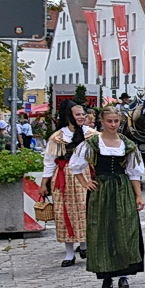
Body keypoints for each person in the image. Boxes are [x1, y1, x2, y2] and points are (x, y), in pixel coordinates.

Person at [68, 105, 145, 288]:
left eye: (116, 121)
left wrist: (138, 196)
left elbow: (134, 173)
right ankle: (106, 275)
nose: (113, 124)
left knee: (125, 229)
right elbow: (75, 166)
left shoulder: (128, 144)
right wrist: (86, 183)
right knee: (102, 230)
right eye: (109, 121)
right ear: (102, 122)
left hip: (122, 189)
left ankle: (123, 275)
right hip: (101, 191)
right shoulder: (92, 143)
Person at [42, 102, 92, 263]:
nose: (82, 117)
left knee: (85, 211)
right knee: (64, 213)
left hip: (84, 176)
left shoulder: (92, 135)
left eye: (83, 114)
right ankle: (69, 253)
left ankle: (84, 245)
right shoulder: (58, 138)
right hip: (63, 176)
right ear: (69, 117)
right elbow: (49, 162)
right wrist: (44, 183)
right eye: (78, 114)